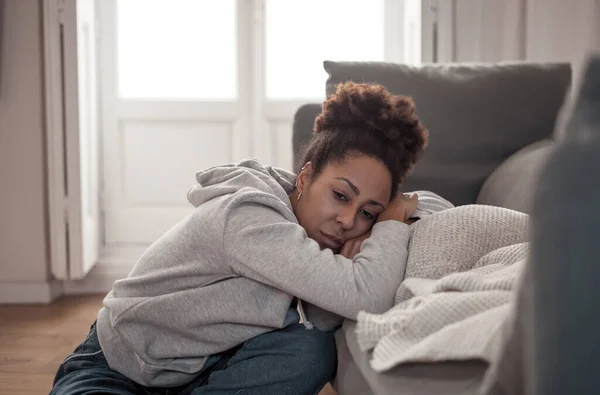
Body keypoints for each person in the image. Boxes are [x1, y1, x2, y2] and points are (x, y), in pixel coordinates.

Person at [50, 82, 429, 395]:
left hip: (204, 369)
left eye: (368, 213)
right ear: (305, 178)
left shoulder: (314, 237)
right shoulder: (248, 217)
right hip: (118, 367)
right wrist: (391, 224)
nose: (348, 220)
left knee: (310, 349)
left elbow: (326, 316)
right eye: (341, 195)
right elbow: (368, 296)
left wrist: (368, 246)